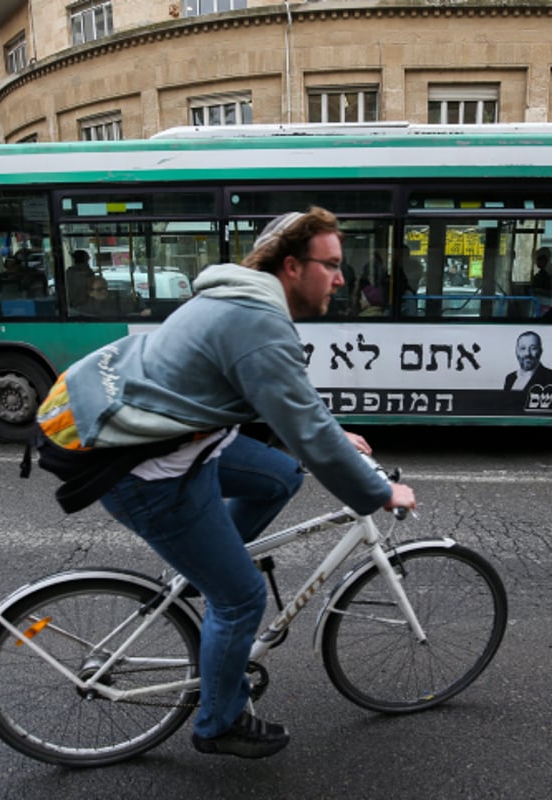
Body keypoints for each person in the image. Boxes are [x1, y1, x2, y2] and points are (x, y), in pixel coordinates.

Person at [38, 207, 416, 759]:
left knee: (281, 475)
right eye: (331, 265)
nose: (342, 279)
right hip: (149, 471)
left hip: (184, 443)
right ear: (292, 266)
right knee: (241, 598)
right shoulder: (257, 321)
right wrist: (380, 491)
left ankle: (205, 569)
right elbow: (305, 425)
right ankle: (217, 723)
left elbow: (290, 405)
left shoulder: (239, 298)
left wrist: (333, 433)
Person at [502, 330, 552, 414]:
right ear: (516, 352)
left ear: (540, 351)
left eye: (533, 348)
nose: (527, 353)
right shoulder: (510, 378)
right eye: (522, 348)